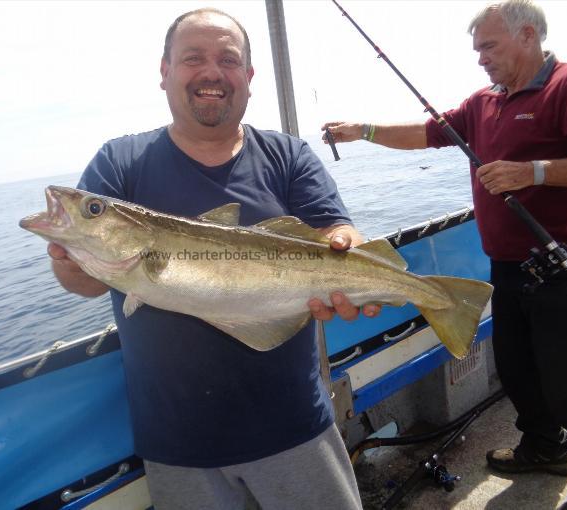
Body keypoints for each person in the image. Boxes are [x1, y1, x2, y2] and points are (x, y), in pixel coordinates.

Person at [48, 8, 378, 510]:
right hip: (178, 441)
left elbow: (332, 228)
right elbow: (90, 283)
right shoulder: (119, 163)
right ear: (164, 72)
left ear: (248, 77)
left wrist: (350, 253)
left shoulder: (287, 155)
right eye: (192, 58)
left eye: (228, 59)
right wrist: (71, 261)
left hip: (294, 425)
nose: (211, 72)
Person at [323, 0, 567, 477]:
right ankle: (544, 448)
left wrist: (533, 172)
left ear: (527, 36)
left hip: (561, 264)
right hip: (507, 265)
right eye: (477, 48)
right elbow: (427, 133)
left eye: (489, 46)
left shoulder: (566, 84)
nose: (480, 57)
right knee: (519, 369)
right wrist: (364, 130)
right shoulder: (484, 101)